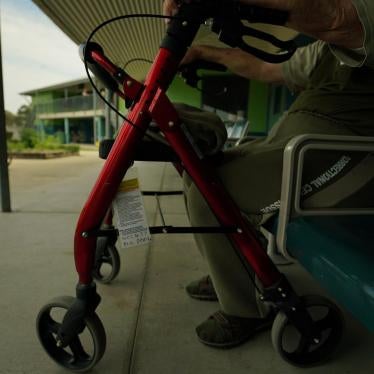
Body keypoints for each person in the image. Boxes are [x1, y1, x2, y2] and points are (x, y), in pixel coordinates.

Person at [162, 0, 374, 348]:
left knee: (209, 190)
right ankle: (237, 270)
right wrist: (204, 52)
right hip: (299, 147)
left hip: (344, 158)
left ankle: (244, 310)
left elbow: (336, 17)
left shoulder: (358, 20)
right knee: (199, 171)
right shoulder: (323, 52)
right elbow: (263, 69)